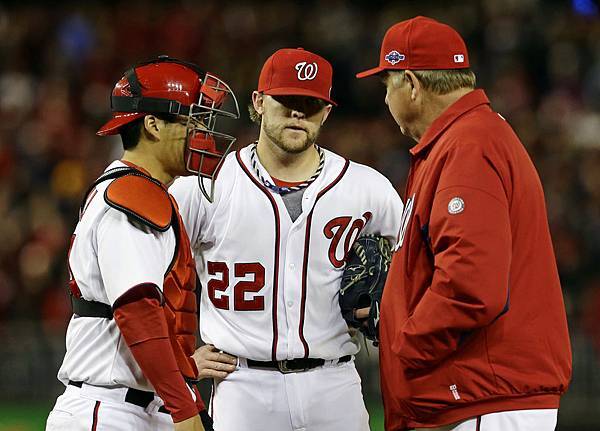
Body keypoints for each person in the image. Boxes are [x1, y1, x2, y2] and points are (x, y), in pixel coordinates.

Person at [170, 47, 404, 431]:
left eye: (311, 104)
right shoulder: (206, 187)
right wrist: (177, 361)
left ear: (326, 112)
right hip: (243, 384)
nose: (298, 113)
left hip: (334, 383)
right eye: (287, 101)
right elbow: (152, 278)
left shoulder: (368, 189)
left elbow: (415, 267)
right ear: (259, 102)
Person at [356, 16, 572, 431]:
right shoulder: (468, 137)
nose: (385, 99)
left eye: (387, 85)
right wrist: (394, 311)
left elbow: (470, 285)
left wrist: (404, 344)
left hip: (485, 397)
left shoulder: (469, 144)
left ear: (411, 84)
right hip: (485, 394)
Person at [46, 56, 239, 431]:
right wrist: (184, 408)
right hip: (110, 410)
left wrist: (184, 372)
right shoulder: (132, 197)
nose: (203, 133)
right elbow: (137, 311)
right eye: (193, 121)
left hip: (135, 406)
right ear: (153, 125)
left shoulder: (135, 189)